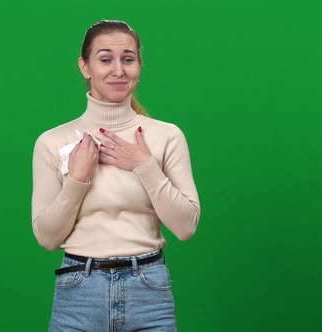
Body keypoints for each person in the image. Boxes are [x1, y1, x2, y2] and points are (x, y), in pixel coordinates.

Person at [31, 20, 201, 331]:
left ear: (139, 65)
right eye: (105, 59)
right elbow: (47, 237)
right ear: (85, 67)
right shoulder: (52, 142)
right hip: (78, 291)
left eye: (128, 59)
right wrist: (78, 180)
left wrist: (144, 165)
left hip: (149, 289)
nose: (118, 71)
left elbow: (186, 226)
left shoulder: (165, 136)